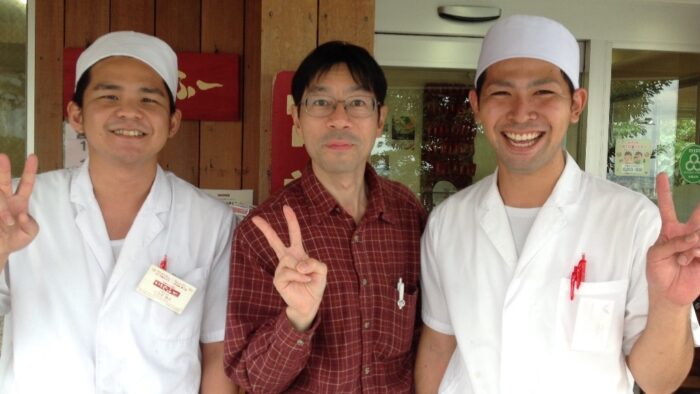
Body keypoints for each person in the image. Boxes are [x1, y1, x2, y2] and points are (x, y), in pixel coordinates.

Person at [415, 15, 700, 394]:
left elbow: (658, 382)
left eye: (543, 93)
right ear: (476, 105)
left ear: (576, 104)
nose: (521, 113)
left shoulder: (631, 221)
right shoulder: (448, 223)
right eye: (501, 93)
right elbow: (438, 345)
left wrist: (671, 305)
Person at [0, 31, 237, 393]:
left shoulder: (210, 221)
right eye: (109, 96)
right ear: (76, 115)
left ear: (172, 123)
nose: (130, 112)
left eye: (149, 99)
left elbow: (217, 349)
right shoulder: (22, 208)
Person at [224, 41, 426, 393]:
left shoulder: (408, 215)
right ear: (297, 119)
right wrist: (297, 320)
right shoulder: (263, 232)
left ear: (380, 119)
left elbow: (430, 338)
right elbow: (252, 377)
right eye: (320, 102)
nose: (339, 118)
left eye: (357, 103)